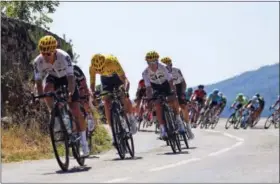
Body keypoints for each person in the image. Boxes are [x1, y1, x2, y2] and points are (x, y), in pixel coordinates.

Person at [33, 35, 89, 157]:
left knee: (75, 110)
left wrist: (70, 92)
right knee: (47, 89)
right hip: (53, 77)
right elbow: (38, 82)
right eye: (43, 53)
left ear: (54, 51)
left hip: (67, 78)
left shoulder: (64, 57)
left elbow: (71, 78)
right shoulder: (38, 61)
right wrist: (40, 95)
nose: (46, 56)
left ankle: (84, 143)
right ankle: (55, 115)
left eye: (49, 54)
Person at [89, 54, 137, 140]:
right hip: (106, 80)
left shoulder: (112, 61)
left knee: (123, 96)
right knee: (106, 102)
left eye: (102, 69)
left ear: (105, 63)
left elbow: (125, 80)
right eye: (98, 71)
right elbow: (92, 85)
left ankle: (131, 118)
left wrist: (125, 91)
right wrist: (93, 96)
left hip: (117, 76)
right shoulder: (92, 68)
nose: (100, 71)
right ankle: (114, 131)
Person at [142, 51, 186, 139]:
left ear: (157, 61)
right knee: (157, 104)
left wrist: (173, 91)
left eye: (155, 61)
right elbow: (148, 87)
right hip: (156, 87)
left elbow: (170, 81)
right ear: (147, 62)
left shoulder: (162, 68)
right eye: (150, 62)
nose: (153, 64)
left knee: (173, 99)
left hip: (166, 84)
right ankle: (162, 129)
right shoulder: (145, 73)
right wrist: (150, 98)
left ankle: (178, 120)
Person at [160, 56, 194, 139]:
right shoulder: (161, 73)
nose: (167, 67)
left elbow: (183, 83)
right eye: (165, 66)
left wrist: (182, 93)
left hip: (178, 86)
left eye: (168, 65)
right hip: (168, 87)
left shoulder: (177, 71)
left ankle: (188, 127)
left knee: (183, 106)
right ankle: (166, 126)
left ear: (171, 64)